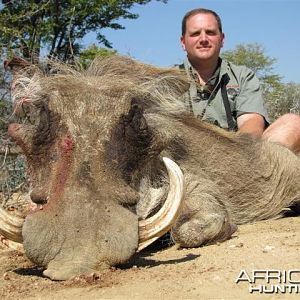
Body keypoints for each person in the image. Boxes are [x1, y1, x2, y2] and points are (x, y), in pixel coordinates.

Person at [180, 8, 300, 153]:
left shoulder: (243, 76)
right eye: (195, 34)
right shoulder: (164, 81)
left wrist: (232, 155)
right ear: (183, 42)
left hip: (237, 157)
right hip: (185, 159)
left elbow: (251, 124)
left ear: (222, 39)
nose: (204, 39)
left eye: (210, 32)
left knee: (292, 123)